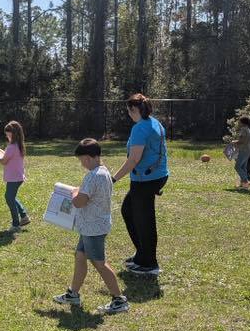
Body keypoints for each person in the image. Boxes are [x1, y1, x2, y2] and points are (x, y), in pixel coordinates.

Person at [53, 139, 129, 314]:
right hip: (93, 225)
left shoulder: (93, 175)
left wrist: (73, 194)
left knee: (100, 263)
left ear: (88, 158)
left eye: (81, 160)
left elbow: (80, 202)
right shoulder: (104, 172)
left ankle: (119, 300)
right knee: (80, 256)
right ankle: (73, 293)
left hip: (93, 228)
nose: (82, 164)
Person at [111, 93, 169, 276]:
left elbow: (133, 159)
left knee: (144, 220)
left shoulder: (140, 128)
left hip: (146, 179)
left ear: (134, 109)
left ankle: (149, 263)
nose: (128, 113)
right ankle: (142, 255)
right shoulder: (154, 122)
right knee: (129, 210)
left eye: (129, 110)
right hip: (155, 176)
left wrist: (113, 179)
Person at [0, 120, 30, 232]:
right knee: (11, 197)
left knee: (9, 198)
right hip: (18, 176)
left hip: (14, 178)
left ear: (13, 133)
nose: (6, 135)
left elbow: (3, 161)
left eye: (8, 133)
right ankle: (24, 216)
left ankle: (16, 224)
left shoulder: (12, 147)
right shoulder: (18, 145)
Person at [232, 116, 250, 190]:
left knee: (237, 167)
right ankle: (243, 184)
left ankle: (245, 181)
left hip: (244, 150)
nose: (238, 123)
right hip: (248, 150)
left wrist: (234, 142)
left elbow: (242, 140)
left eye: (239, 122)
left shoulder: (243, 129)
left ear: (242, 123)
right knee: (243, 167)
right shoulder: (247, 129)